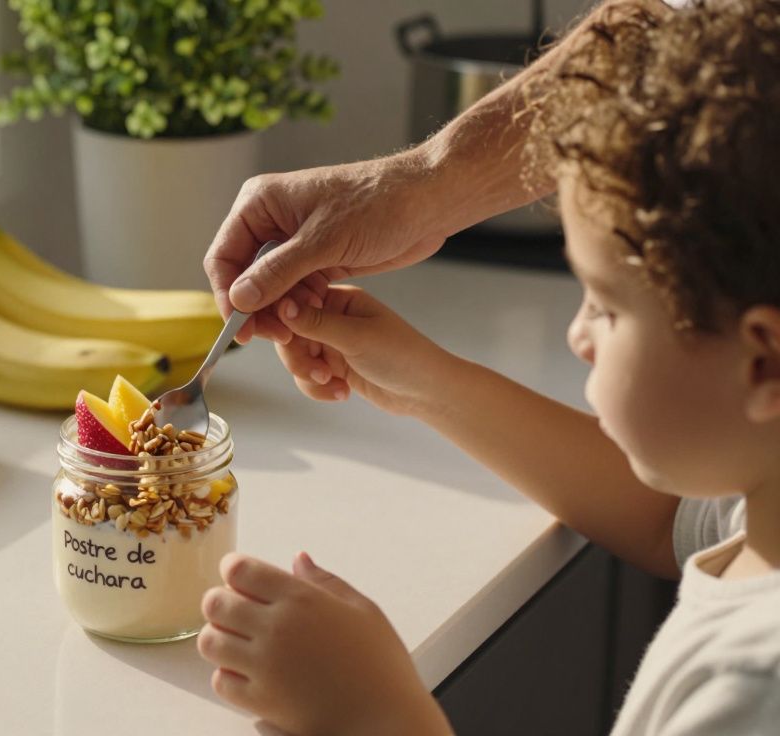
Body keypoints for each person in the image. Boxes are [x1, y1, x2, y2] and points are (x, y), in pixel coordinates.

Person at [196, 1, 780, 734]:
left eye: (605, 304)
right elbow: (667, 518)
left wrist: (375, 713)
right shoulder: (761, 507)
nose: (577, 335)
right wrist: (425, 382)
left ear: (762, 363)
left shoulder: (753, 689)